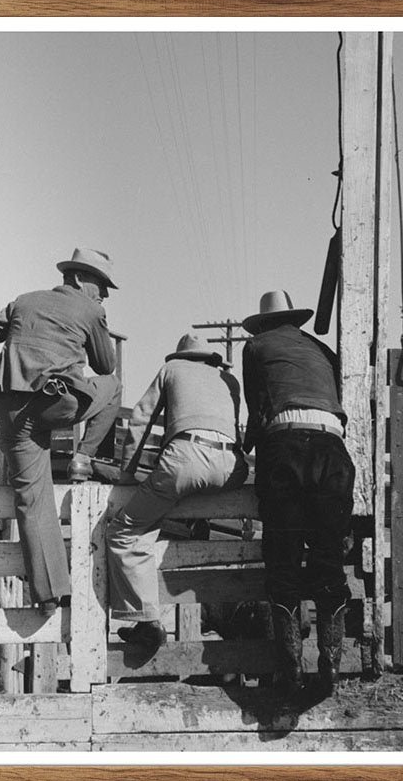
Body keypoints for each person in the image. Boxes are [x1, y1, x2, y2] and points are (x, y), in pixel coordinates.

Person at [0, 248, 122, 616]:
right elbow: (105, 365)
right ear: (80, 279)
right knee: (113, 386)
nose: (104, 294)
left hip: (11, 409)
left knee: (32, 498)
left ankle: (50, 596)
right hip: (56, 402)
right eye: (101, 284)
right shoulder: (91, 310)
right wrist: (95, 324)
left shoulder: (23, 301)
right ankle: (84, 457)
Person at [241, 290, 355, 697]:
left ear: (262, 323)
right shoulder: (322, 350)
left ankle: (290, 665)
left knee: (283, 557)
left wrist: (247, 447)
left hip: (284, 444)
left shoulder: (256, 346)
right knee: (329, 557)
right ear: (294, 320)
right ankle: (332, 662)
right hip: (332, 447)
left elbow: (257, 408)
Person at [106, 333, 248, 644]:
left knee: (124, 531)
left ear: (181, 356)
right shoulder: (228, 379)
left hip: (186, 459)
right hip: (231, 467)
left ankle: (145, 619)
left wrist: (127, 472)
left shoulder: (171, 370)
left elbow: (141, 419)